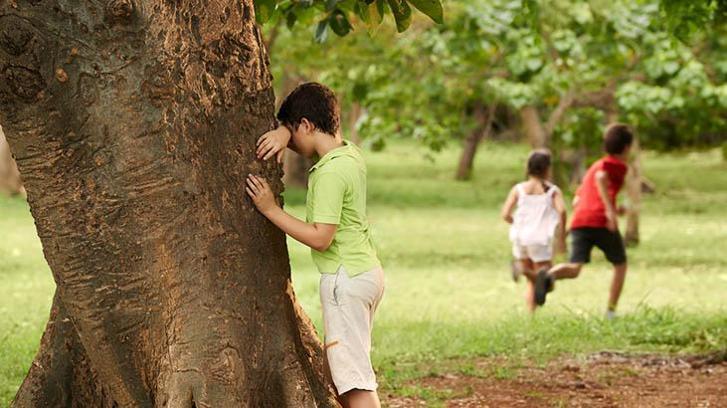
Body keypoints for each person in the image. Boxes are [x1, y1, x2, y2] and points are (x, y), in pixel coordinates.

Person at [245, 82, 384, 408]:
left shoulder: (328, 173)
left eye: (293, 134)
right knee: (340, 372)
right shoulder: (350, 155)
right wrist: (283, 130)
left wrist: (270, 210)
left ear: (306, 125)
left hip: (344, 279)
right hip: (366, 273)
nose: (290, 145)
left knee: (353, 382)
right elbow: (305, 128)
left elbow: (322, 238)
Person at [535, 124, 633, 319]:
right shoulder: (616, 165)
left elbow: (578, 199)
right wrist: (610, 212)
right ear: (626, 148)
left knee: (575, 268)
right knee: (620, 265)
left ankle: (549, 275)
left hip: (581, 220)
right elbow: (601, 179)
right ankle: (610, 312)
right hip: (601, 221)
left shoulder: (594, 165)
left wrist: (613, 208)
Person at [501, 150, 567, 312]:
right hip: (540, 239)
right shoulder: (552, 191)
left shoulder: (518, 189)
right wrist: (562, 236)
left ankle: (531, 314)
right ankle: (522, 270)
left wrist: (516, 224)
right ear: (547, 169)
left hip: (520, 237)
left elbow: (505, 214)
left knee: (534, 281)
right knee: (548, 282)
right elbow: (563, 211)